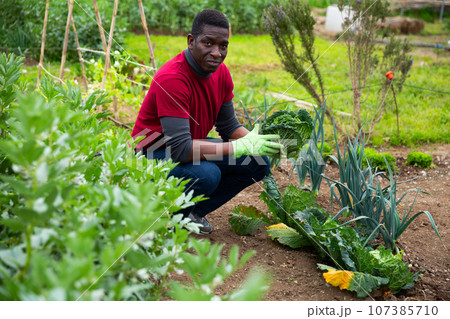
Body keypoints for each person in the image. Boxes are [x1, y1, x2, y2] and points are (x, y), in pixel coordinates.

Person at [132, 9, 282, 234]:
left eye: (223, 46)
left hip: (187, 146)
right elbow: (181, 150)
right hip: (151, 154)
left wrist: (255, 141)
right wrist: (237, 147)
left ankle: (188, 215)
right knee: (207, 174)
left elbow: (228, 126)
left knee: (257, 162)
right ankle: (169, 217)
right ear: (191, 41)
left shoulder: (221, 74)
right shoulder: (173, 79)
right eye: (208, 43)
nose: (217, 53)